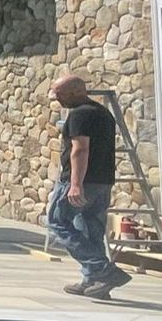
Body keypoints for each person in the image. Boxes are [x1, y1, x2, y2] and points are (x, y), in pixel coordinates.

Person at [45, 73, 131, 299]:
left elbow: (80, 149)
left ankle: (101, 269)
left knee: (57, 221)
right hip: (102, 181)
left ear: (76, 92)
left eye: (60, 94)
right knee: (90, 229)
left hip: (81, 181)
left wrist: (75, 184)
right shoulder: (103, 113)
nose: (56, 98)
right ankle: (94, 281)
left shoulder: (79, 114)